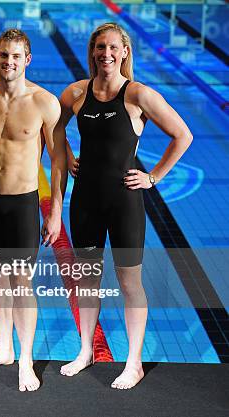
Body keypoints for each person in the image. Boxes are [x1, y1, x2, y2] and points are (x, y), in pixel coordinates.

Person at [57, 22, 192, 389]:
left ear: (125, 51)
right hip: (84, 199)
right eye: (100, 47)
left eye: (113, 47)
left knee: (130, 282)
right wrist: (67, 153)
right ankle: (86, 350)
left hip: (124, 202)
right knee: (87, 280)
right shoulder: (77, 93)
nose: (106, 54)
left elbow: (183, 135)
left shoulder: (138, 95)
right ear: (92, 51)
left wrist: (154, 177)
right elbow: (52, 126)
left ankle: (133, 362)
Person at [0, 29, 66, 391]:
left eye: (16, 56)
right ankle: (4, 348)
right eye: (4, 55)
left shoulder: (45, 103)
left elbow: (59, 160)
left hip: (22, 203)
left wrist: (55, 212)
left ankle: (25, 360)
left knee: (22, 280)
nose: (9, 62)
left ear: (27, 59)